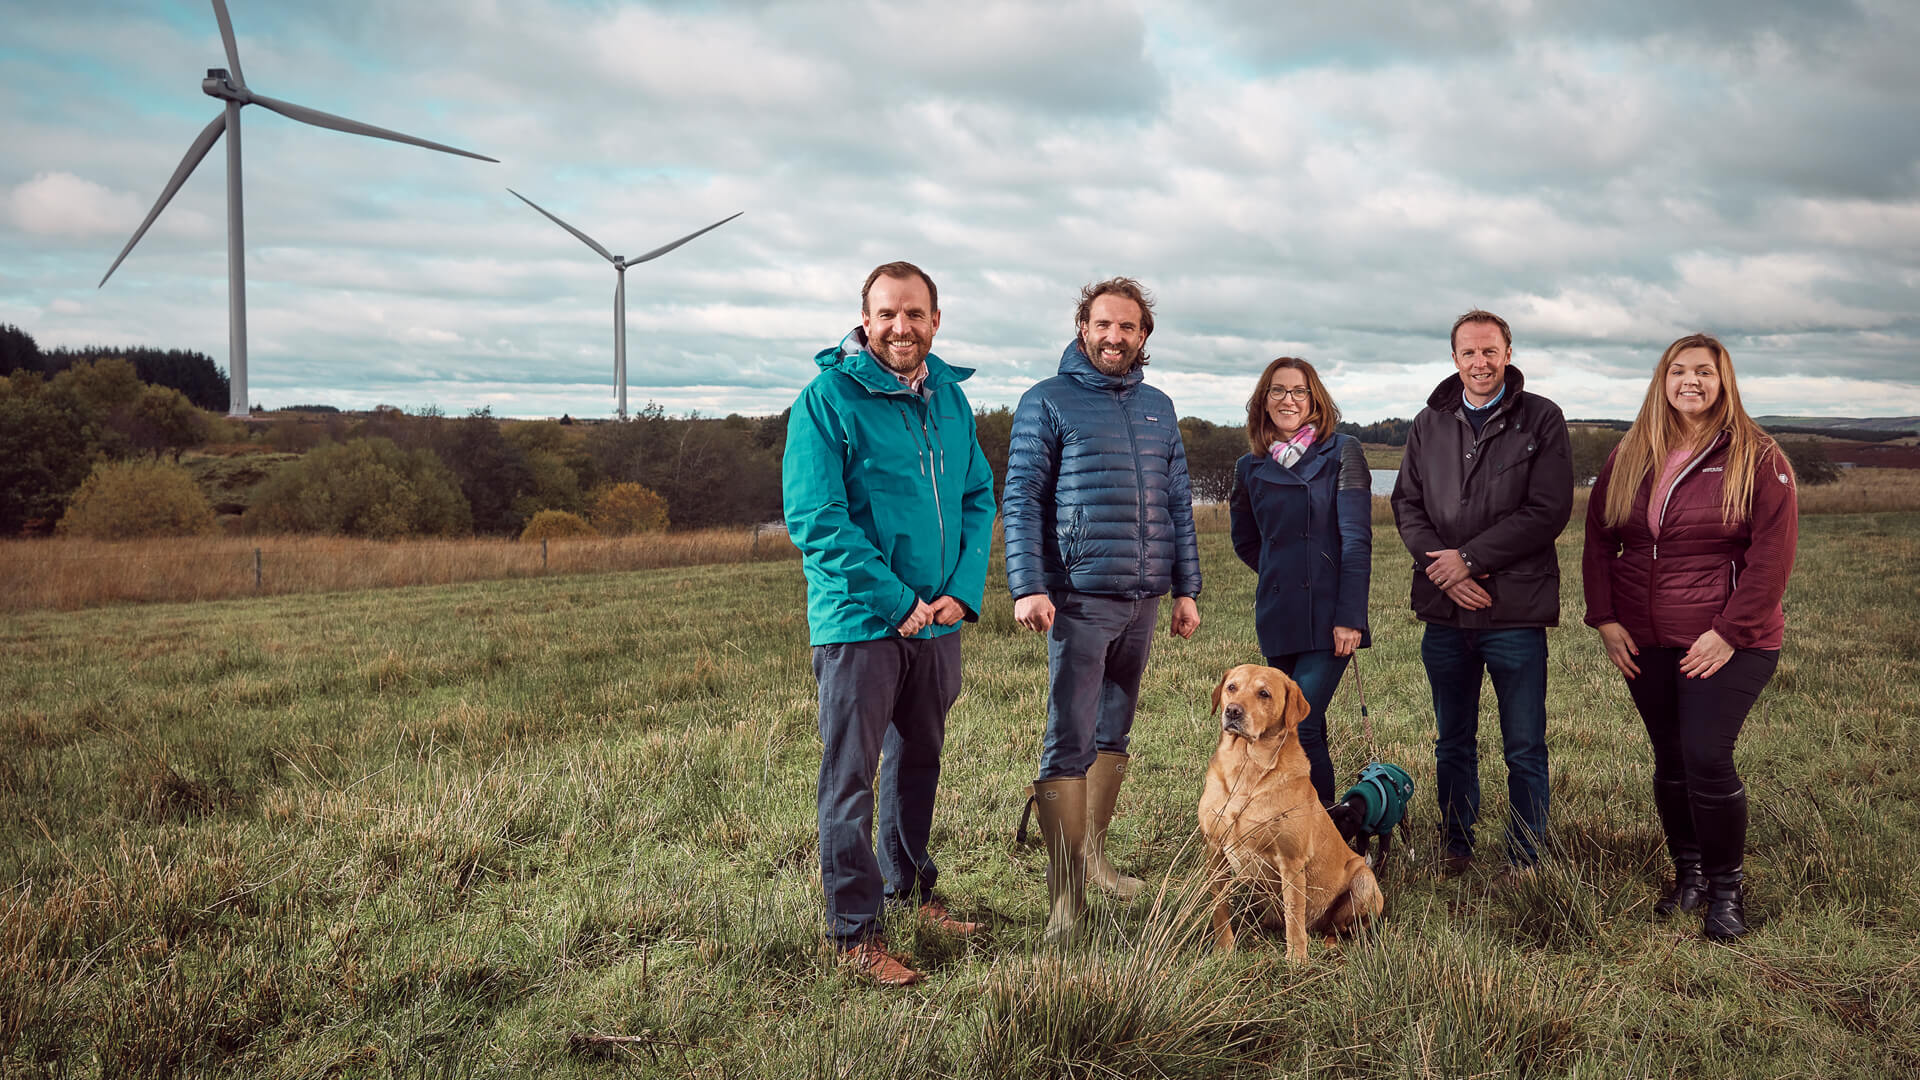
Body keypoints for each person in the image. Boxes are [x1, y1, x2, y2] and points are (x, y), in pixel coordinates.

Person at [781, 261, 997, 985]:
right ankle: (855, 931)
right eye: (887, 314)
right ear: (864, 319)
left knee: (919, 763)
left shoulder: (952, 401)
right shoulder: (826, 399)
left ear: (936, 320)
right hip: (860, 624)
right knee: (850, 777)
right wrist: (897, 602)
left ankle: (911, 889)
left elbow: (978, 497)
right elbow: (817, 519)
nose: (901, 327)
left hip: (938, 622)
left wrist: (960, 595)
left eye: (915, 314)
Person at [1002, 276, 1202, 942]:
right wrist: (1029, 584)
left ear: (1144, 336)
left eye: (1129, 327)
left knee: (1113, 734)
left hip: (1143, 598)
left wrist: (1186, 589)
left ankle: (1094, 863)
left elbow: (1178, 502)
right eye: (1103, 325)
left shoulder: (1159, 406)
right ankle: (1065, 902)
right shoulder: (1046, 401)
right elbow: (1023, 499)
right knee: (1069, 735)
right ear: (1082, 328)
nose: (1115, 337)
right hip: (1078, 598)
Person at [1582, 333, 1796, 940]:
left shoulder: (1759, 456)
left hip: (1729, 640)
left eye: (1705, 371)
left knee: (1705, 755)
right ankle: (1690, 875)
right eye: (1679, 371)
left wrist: (1729, 633)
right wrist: (1605, 618)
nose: (1691, 382)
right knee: (1671, 760)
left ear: (1724, 380)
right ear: (1663, 379)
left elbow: (1771, 559)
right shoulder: (1631, 451)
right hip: (1644, 636)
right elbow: (1600, 540)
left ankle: (1727, 892)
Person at [1392, 309, 1573, 873]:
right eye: (1468, 352)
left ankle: (1526, 856)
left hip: (1514, 610)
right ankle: (1456, 845)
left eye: (1490, 351)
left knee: (1524, 746)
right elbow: (1408, 504)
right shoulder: (1429, 422)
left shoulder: (1541, 418)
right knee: (1453, 740)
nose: (1480, 362)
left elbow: (1548, 511)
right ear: (1454, 359)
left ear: (1509, 353)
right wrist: (1443, 569)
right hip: (1445, 613)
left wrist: (1469, 560)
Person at [1228, 357, 1372, 807]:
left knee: (1302, 722)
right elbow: (1247, 541)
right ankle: (1288, 820)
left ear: (1314, 400)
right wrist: (1282, 576)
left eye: (1299, 391)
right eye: (1278, 390)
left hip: (1331, 616)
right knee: (1278, 726)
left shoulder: (1342, 451)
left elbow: (1356, 540)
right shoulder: (1249, 466)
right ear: (1263, 400)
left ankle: (1323, 828)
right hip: (1279, 615)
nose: (1288, 399)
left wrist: (1349, 616)